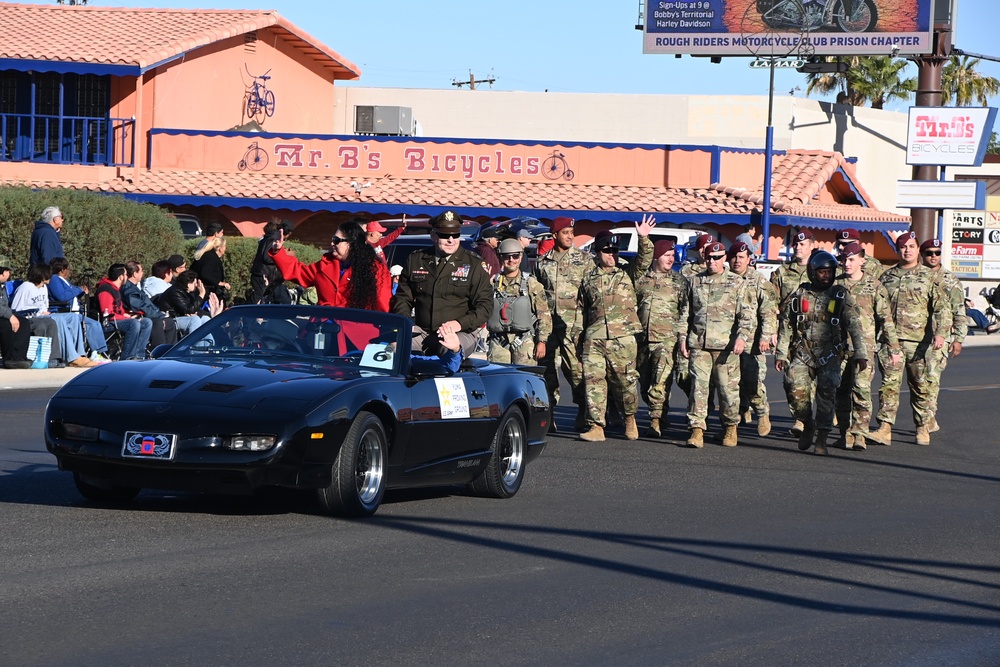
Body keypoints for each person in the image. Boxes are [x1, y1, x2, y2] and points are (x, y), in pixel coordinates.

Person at [775, 250, 868, 455]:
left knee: (827, 395)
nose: (826, 276)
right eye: (822, 272)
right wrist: (781, 353)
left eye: (830, 272)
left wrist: (861, 353)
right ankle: (807, 422)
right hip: (803, 352)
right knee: (793, 388)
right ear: (812, 272)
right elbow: (786, 326)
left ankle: (822, 438)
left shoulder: (841, 295)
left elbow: (854, 326)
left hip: (831, 354)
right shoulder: (799, 294)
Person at [573, 218, 655, 443]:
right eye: (607, 250)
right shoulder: (588, 279)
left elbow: (645, 259)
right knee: (594, 381)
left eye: (615, 251)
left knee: (626, 382)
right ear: (598, 253)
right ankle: (596, 425)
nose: (612, 255)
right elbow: (581, 309)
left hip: (623, 338)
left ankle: (630, 418)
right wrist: (578, 337)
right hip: (595, 338)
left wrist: (644, 237)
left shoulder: (627, 274)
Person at [868, 232, 948, 447]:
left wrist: (941, 333)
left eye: (912, 246)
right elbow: (876, 310)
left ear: (917, 249)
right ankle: (884, 428)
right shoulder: (886, 277)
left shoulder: (930, 277)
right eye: (903, 247)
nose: (907, 250)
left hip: (918, 342)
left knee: (920, 386)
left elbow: (941, 308)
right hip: (890, 342)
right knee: (889, 385)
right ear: (898, 250)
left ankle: (922, 427)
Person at [678, 241, 754, 448]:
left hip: (726, 347)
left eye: (717, 258)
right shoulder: (695, 282)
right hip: (699, 344)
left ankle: (730, 427)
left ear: (724, 259)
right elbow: (686, 313)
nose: (712, 262)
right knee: (698, 389)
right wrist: (682, 338)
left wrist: (742, 337)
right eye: (709, 258)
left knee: (727, 391)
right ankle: (696, 430)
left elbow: (746, 315)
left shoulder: (737, 283)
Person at [391, 210, 492, 357]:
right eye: (445, 235)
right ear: (433, 235)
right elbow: (402, 298)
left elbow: (485, 306)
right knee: (392, 350)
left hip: (460, 332)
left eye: (455, 235)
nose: (451, 240)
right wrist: (406, 323)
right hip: (423, 332)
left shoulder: (474, 264)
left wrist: (459, 323)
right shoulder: (416, 259)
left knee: (449, 351)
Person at [834, 242, 901, 450]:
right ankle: (845, 432)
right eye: (844, 259)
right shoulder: (835, 286)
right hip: (839, 348)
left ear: (862, 261)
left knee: (861, 390)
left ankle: (860, 433)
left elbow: (886, 319)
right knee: (840, 391)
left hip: (865, 348)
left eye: (852, 259)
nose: (847, 263)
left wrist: (894, 347)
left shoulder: (874, 286)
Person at [533, 216, 591, 430]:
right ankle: (549, 415)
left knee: (576, 372)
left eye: (571, 232)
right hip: (548, 327)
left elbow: (591, 293)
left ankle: (583, 411)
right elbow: (537, 295)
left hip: (574, 327)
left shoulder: (584, 260)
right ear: (555, 235)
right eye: (565, 232)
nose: (570, 236)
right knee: (547, 372)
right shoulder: (542, 262)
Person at [271, 220, 391, 312]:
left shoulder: (375, 269)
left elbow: (383, 303)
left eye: (336, 240)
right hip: (323, 330)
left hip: (357, 333)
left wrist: (385, 331)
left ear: (351, 243)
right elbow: (298, 272)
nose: (332, 243)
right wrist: (278, 251)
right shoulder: (325, 264)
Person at [635, 239, 688, 437]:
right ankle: (661, 413)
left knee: (660, 382)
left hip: (667, 341)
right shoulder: (641, 280)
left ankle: (655, 421)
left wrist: (682, 337)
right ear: (656, 256)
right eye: (666, 255)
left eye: (672, 255)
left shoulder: (679, 282)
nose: (670, 259)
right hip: (642, 340)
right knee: (645, 384)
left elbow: (685, 311)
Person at [728, 241, 777, 437]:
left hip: (752, 342)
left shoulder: (759, 281)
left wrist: (765, 337)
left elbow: (769, 312)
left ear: (749, 259)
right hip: (727, 340)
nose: (737, 261)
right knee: (730, 382)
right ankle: (735, 416)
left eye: (741, 257)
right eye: (734, 257)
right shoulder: (725, 279)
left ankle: (762, 412)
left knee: (752, 381)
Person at [770, 228, 816, 437]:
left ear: (812, 246)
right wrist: (772, 331)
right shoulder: (782, 272)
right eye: (795, 244)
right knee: (789, 380)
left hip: (813, 333)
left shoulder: (819, 270)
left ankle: (802, 419)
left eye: (802, 244)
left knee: (808, 379)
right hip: (789, 332)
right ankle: (800, 414)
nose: (798, 247)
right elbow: (772, 304)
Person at [920, 238, 967, 436]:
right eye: (929, 252)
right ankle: (924, 416)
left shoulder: (950, 279)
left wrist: (958, 338)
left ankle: (929, 418)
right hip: (914, 335)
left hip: (940, 337)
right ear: (922, 254)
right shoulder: (916, 276)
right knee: (918, 381)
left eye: (937, 253)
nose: (933, 256)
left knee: (931, 377)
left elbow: (959, 310)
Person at [12, 264, 92, 367]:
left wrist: (44, 312)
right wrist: (37, 313)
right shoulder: (25, 287)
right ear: (42, 275)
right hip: (31, 317)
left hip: (44, 315)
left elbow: (44, 306)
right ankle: (71, 357)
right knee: (58, 319)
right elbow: (16, 309)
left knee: (73, 317)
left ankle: (80, 353)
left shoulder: (44, 287)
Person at [487, 238, 551, 366]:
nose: (511, 260)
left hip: (524, 340)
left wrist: (542, 342)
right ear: (500, 258)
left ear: (521, 257)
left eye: (515, 256)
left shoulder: (531, 284)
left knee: (524, 379)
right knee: (498, 379)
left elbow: (544, 315)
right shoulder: (492, 284)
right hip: (498, 341)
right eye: (506, 257)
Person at [48, 257, 111, 362]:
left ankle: (98, 352)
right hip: (65, 312)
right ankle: (95, 353)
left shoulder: (65, 281)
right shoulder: (55, 279)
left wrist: (81, 291)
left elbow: (71, 293)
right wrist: (78, 289)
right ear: (62, 270)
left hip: (76, 313)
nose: (69, 271)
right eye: (68, 268)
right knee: (92, 324)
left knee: (94, 323)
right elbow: (62, 296)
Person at [95, 264, 153, 360]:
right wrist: (127, 318)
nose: (127, 277)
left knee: (146, 322)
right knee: (133, 324)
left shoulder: (115, 289)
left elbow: (118, 310)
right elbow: (107, 313)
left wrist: (126, 315)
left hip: (116, 320)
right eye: (126, 274)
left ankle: (138, 355)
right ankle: (127, 357)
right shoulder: (105, 290)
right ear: (121, 277)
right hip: (107, 323)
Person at [123, 261, 178, 348]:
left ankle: (169, 351)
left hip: (147, 314)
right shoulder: (128, 289)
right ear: (134, 274)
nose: (142, 273)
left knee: (170, 323)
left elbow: (147, 303)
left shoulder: (135, 287)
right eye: (141, 271)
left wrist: (159, 313)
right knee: (158, 323)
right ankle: (158, 351)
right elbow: (139, 306)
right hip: (139, 316)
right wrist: (158, 315)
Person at [156, 270, 219, 336]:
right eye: (195, 283)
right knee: (195, 320)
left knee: (205, 319)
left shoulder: (187, 293)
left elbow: (195, 309)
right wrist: (202, 294)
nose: (196, 285)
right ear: (188, 283)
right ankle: (195, 345)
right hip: (171, 319)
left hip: (182, 317)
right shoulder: (175, 292)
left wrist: (201, 314)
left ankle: (207, 345)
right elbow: (188, 309)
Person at [249, 219, 293, 304]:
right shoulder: (274, 238)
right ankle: (245, 312)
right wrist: (282, 257)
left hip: (262, 272)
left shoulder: (269, 237)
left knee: (264, 296)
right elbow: (266, 256)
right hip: (263, 273)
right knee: (258, 295)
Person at [0, 255, 33, 369]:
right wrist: (10, 316)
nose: (9, 274)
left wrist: (11, 315)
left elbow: (4, 305)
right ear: (3, 272)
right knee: (6, 325)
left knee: (23, 323)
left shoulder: (2, 287)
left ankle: (18, 357)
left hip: (2, 315)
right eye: (8, 271)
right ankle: (8, 358)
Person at [191, 223, 231, 304]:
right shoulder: (210, 257)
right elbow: (205, 273)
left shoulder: (209, 254)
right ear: (219, 248)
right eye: (224, 246)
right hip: (205, 291)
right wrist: (220, 283)